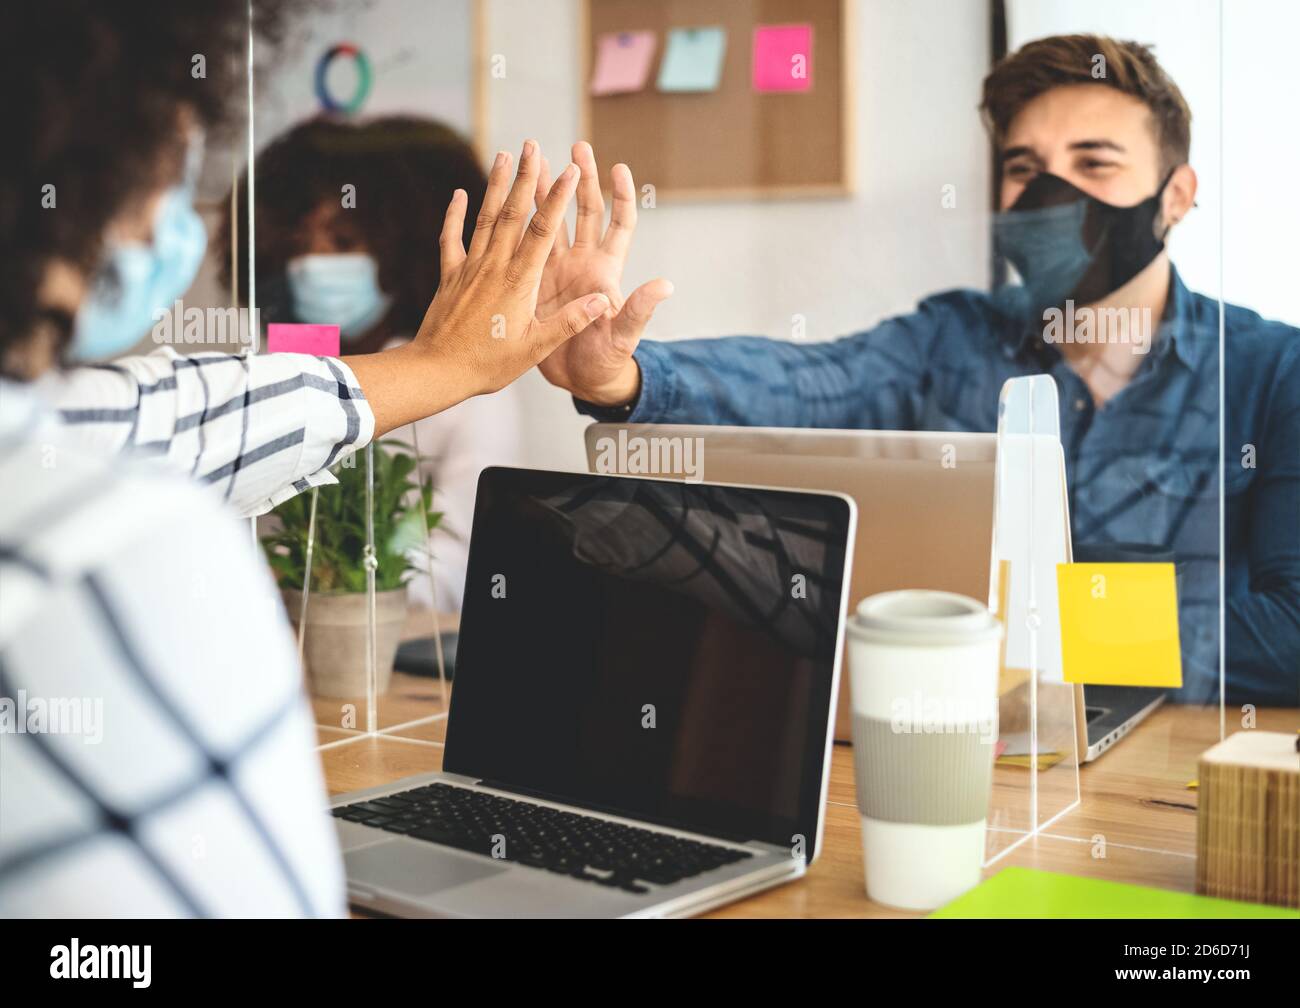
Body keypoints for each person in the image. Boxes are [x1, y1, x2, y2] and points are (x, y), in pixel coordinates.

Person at [0, 0, 610, 915]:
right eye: (176, 162)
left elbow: (156, 415)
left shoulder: (94, 459)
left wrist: (432, 368)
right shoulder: (119, 554)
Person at [539, 36, 1300, 707]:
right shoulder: (952, 338)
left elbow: (1289, 633)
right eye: (1023, 167)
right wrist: (625, 377)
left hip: (1169, 775)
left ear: (1177, 195)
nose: (1049, 194)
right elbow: (810, 382)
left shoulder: (1275, 373)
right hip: (956, 741)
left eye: (1093, 162)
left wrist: (1029, 625)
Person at [218, 116, 522, 611]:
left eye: (342, 243)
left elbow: (467, 556)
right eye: (297, 246)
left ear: (405, 246)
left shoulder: (469, 385)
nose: (312, 265)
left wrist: (338, 588)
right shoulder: (269, 366)